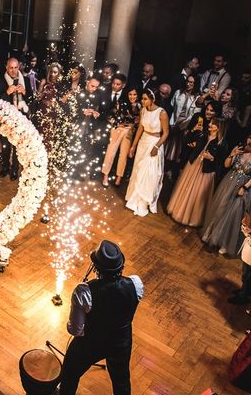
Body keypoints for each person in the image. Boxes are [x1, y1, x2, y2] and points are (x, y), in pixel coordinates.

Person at [58, 240, 143, 395]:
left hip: (91, 343)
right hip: (120, 342)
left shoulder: (83, 292)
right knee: (122, 382)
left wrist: (69, 324)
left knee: (69, 374)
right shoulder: (135, 284)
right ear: (120, 265)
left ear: (96, 267)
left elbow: (76, 331)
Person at [202, 130, 251, 255]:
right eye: (250, 137)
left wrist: (245, 187)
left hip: (246, 186)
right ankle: (211, 235)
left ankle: (224, 243)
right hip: (229, 182)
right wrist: (232, 154)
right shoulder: (240, 148)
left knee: (234, 214)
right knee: (221, 209)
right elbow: (227, 165)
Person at [167, 117, 227, 227]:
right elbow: (187, 141)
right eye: (210, 122)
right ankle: (179, 211)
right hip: (194, 164)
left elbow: (222, 163)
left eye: (213, 124)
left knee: (197, 194)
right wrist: (193, 130)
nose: (209, 124)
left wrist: (212, 158)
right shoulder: (203, 135)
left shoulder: (222, 143)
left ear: (219, 128)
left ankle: (192, 218)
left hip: (206, 170)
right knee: (186, 188)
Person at [125, 89, 169, 217]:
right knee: (138, 169)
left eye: (145, 99)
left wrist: (157, 146)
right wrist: (133, 146)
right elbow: (140, 128)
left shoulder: (162, 113)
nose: (142, 101)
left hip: (154, 143)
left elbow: (166, 133)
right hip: (143, 142)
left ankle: (144, 201)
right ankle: (133, 197)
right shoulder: (143, 110)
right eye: (142, 98)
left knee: (149, 173)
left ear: (152, 99)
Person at [0, 58, 33, 180]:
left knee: (17, 145)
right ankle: (5, 167)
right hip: (6, 118)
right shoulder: (1, 81)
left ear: (19, 67)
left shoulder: (26, 81)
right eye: (11, 68)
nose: (13, 70)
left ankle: (15, 169)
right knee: (5, 144)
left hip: (21, 117)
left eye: (15, 67)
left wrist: (25, 92)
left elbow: (32, 100)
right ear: (7, 68)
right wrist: (7, 92)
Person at [227, 205, 251, 306]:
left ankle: (243, 297)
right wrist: (244, 226)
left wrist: (250, 235)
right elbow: (249, 231)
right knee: (247, 276)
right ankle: (247, 291)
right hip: (248, 254)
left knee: (247, 276)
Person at [101, 85, 139, 188]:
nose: (132, 96)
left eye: (134, 94)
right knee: (111, 152)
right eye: (130, 94)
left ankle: (119, 177)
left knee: (124, 154)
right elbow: (110, 116)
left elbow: (139, 122)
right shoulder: (121, 102)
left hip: (129, 131)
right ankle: (105, 175)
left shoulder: (140, 106)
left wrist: (133, 124)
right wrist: (117, 123)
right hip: (117, 129)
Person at [165, 73, 198, 178]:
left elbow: (193, 115)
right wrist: (172, 123)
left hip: (184, 127)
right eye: (188, 81)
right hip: (173, 123)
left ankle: (172, 171)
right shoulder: (178, 92)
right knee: (168, 147)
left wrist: (183, 126)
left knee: (178, 150)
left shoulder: (196, 97)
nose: (189, 84)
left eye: (191, 82)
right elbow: (172, 107)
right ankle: (164, 168)